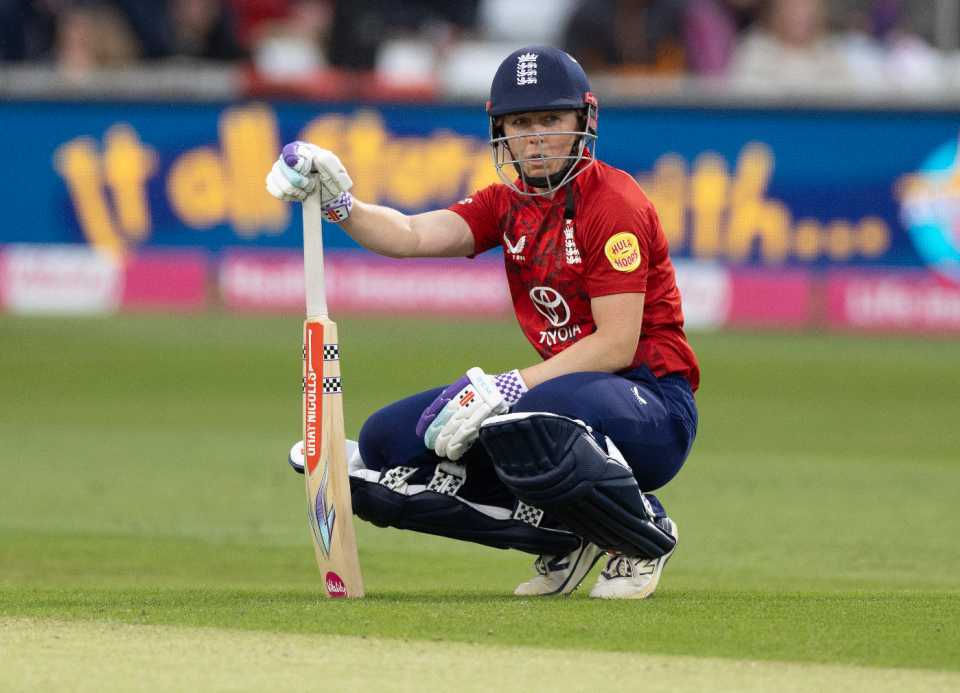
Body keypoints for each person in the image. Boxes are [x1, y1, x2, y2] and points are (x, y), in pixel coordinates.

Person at [266, 46, 699, 599]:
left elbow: (617, 345)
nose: (535, 137)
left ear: (584, 122)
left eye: (551, 120)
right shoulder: (506, 203)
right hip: (563, 399)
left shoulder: (613, 203)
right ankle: (571, 535)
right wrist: (339, 204)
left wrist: (509, 386)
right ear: (501, 130)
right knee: (386, 441)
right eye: (521, 123)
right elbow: (410, 236)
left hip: (652, 406)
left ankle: (642, 532)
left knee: (533, 412)